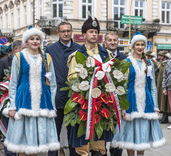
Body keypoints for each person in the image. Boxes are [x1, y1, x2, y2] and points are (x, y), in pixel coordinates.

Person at [4, 27, 60, 155]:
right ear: (26, 41)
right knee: (23, 142)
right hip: (24, 99)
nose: (35, 41)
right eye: (32, 39)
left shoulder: (47, 57)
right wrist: (12, 105)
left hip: (43, 101)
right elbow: (13, 83)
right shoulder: (19, 57)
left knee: (41, 141)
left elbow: (53, 84)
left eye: (37, 39)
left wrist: (52, 104)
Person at [111, 32, 166, 156]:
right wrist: (122, 106)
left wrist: (156, 106)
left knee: (143, 136)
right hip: (130, 102)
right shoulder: (126, 62)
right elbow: (122, 87)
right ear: (133, 46)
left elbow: (152, 87)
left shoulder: (149, 64)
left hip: (146, 103)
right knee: (129, 136)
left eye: (142, 44)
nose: (140, 47)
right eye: (138, 45)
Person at [67, 16, 112, 156]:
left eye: (96, 32)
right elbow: (71, 78)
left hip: (102, 104)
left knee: (100, 146)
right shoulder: (77, 55)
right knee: (83, 145)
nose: (94, 34)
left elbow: (112, 78)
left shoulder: (106, 54)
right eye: (91, 31)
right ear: (84, 34)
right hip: (84, 105)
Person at [45, 21, 81, 156]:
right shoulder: (50, 49)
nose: (66, 33)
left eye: (68, 31)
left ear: (72, 32)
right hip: (56, 97)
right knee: (54, 132)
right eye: (63, 31)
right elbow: (46, 71)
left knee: (74, 134)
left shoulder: (79, 49)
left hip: (75, 98)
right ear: (58, 33)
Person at [0, 40, 24, 155]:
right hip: (8, 103)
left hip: (24, 103)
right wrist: (5, 88)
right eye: (24, 49)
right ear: (16, 50)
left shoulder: (27, 62)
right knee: (9, 134)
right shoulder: (4, 62)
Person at [103, 31, 127, 156]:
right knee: (102, 136)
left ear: (118, 42)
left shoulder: (124, 59)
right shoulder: (100, 56)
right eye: (110, 40)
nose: (112, 42)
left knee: (118, 134)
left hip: (118, 101)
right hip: (103, 101)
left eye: (114, 40)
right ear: (105, 42)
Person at [157, 51, 171, 124]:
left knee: (165, 101)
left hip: (165, 85)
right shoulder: (161, 64)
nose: (159, 57)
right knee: (161, 101)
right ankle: (163, 116)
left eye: (161, 56)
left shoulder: (167, 64)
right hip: (160, 85)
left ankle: (165, 117)